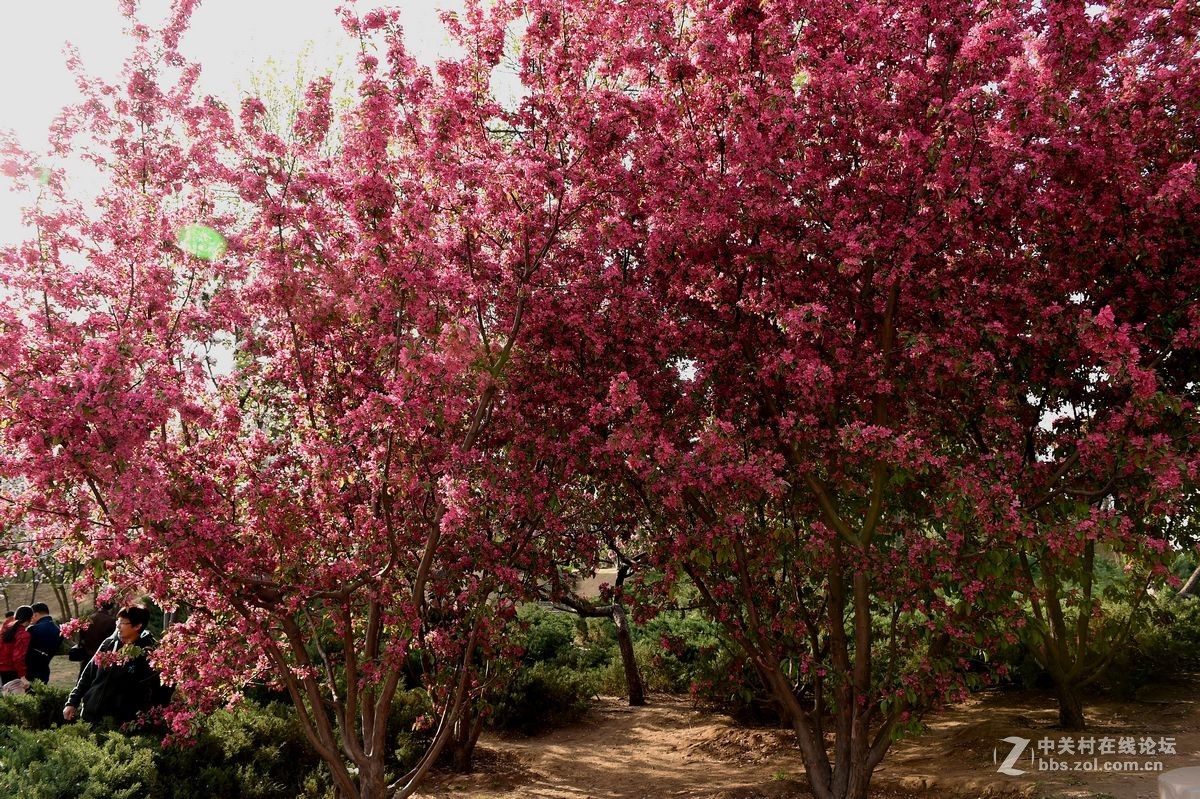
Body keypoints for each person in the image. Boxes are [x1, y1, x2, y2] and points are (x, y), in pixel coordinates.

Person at [63, 605, 162, 725]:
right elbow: (88, 674)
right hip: (90, 715)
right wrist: (72, 702)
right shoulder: (109, 643)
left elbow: (154, 691)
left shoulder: (147, 653)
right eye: (118, 621)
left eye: (122, 623)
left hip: (119, 722)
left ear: (137, 626)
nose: (118, 626)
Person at [75, 600, 117, 675]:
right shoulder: (111, 621)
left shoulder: (88, 619)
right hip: (102, 660)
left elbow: (81, 639)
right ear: (112, 607)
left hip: (87, 658)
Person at [25, 601, 61, 683]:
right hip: (45, 670)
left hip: (30, 670)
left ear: (35, 614)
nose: (31, 619)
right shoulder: (58, 630)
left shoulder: (33, 629)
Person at [0, 605, 33, 685]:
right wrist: (22, 676)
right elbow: (18, 658)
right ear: (30, 618)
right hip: (10, 671)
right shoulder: (23, 635)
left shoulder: (6, 626)